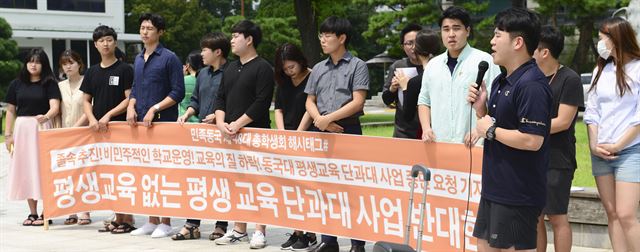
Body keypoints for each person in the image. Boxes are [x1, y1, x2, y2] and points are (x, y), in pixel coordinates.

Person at [467, 8, 551, 251]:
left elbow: (532, 140)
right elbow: (495, 126)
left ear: (518, 42)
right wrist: (481, 109)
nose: (491, 42)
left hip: (518, 193)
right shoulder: (501, 79)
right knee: (484, 246)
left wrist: (490, 129)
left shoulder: (532, 85)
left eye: (497, 35)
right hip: (495, 188)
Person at [304, 16, 368, 252]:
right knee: (325, 187)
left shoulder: (357, 65)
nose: (322, 39)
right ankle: (328, 241)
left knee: (350, 188)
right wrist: (321, 121)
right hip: (321, 132)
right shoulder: (318, 68)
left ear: (342, 38)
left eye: (327, 35)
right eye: (321, 35)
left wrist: (328, 119)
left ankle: (357, 243)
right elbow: (310, 100)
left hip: (348, 129)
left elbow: (358, 101)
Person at [212, 20, 274, 249]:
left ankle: (260, 231)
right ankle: (239, 229)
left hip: (255, 134)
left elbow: (261, 102)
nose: (232, 40)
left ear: (249, 39)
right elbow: (221, 97)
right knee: (237, 183)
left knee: (259, 184)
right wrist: (220, 121)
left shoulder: (263, 68)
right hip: (231, 135)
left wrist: (238, 123)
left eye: (236, 36)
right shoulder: (230, 68)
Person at [126, 13, 185, 238]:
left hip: (163, 124)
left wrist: (155, 108)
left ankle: (166, 222)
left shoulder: (169, 58)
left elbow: (177, 92)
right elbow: (135, 88)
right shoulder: (139, 58)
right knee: (146, 173)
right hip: (141, 125)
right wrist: (131, 106)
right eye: (142, 27)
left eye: (150, 28)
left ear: (160, 32)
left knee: (163, 173)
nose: (145, 32)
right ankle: (151, 219)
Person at [584, 17, 640, 252]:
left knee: (627, 214)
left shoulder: (637, 68)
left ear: (616, 38)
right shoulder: (601, 69)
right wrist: (595, 144)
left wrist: (618, 145)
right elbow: (592, 111)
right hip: (601, 151)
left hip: (629, 150)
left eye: (602, 39)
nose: (599, 43)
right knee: (613, 213)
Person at [173, 32, 231, 241]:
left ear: (218, 52)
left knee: (221, 181)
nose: (202, 54)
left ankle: (221, 225)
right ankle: (192, 224)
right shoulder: (203, 74)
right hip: (200, 136)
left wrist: (218, 116)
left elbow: (231, 101)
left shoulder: (232, 72)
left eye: (205, 49)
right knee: (197, 180)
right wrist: (188, 113)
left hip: (223, 136)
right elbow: (196, 99)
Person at [532, 26, 584, 252]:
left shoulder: (569, 79)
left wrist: (530, 130)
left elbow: (563, 121)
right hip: (531, 155)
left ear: (544, 52)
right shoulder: (531, 77)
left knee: (556, 216)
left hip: (557, 158)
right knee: (535, 215)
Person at [417, 6, 501, 144]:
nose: (451, 34)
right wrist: (426, 128)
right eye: (446, 29)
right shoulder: (433, 65)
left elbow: (497, 104)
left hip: (475, 145)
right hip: (440, 144)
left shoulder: (485, 61)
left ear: (467, 31)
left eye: (456, 28)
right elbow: (424, 101)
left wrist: (479, 130)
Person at [81, 25, 136, 234]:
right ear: (95, 45)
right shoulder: (92, 72)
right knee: (108, 175)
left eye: (109, 39)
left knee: (123, 173)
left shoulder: (124, 69)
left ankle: (127, 218)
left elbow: (129, 98)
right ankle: (117, 216)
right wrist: (92, 118)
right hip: (99, 131)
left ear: (115, 42)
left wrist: (109, 115)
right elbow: (86, 100)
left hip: (120, 129)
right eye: (101, 40)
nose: (105, 43)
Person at [4, 48, 61, 226]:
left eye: (37, 61)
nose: (33, 64)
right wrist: (8, 134)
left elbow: (55, 107)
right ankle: (33, 213)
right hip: (22, 129)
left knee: (42, 169)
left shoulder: (49, 83)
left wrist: (47, 116)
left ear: (43, 64)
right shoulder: (16, 84)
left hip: (41, 127)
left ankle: (47, 212)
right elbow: (11, 110)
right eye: (30, 61)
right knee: (26, 169)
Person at [273, 43, 316, 250]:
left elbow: (311, 106)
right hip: (287, 137)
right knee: (291, 189)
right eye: (285, 69)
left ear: (300, 61)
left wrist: (299, 133)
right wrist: (283, 134)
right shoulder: (283, 82)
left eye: (292, 67)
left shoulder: (313, 76)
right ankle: (297, 231)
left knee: (307, 188)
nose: (289, 71)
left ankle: (310, 232)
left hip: (307, 136)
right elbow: (278, 109)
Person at [57, 49, 92, 226]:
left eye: (71, 62)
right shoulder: (60, 86)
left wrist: (76, 128)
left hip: (83, 133)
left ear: (79, 63)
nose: (68, 66)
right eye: (64, 63)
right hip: (64, 133)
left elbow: (89, 108)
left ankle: (84, 209)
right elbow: (57, 110)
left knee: (83, 172)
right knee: (68, 173)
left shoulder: (88, 82)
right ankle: (71, 209)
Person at [394, 29, 442, 136]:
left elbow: (408, 115)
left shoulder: (415, 82)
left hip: (428, 133)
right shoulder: (449, 74)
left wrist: (406, 87)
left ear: (416, 49)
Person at [381, 23, 424, 139]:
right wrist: (392, 89)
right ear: (403, 46)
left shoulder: (434, 65)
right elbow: (386, 99)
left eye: (416, 42)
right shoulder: (398, 66)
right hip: (403, 131)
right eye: (409, 43)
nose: (413, 47)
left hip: (429, 130)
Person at [178, 50, 203, 123]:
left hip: (183, 120)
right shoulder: (205, 79)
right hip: (202, 122)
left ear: (188, 65)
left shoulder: (182, 81)